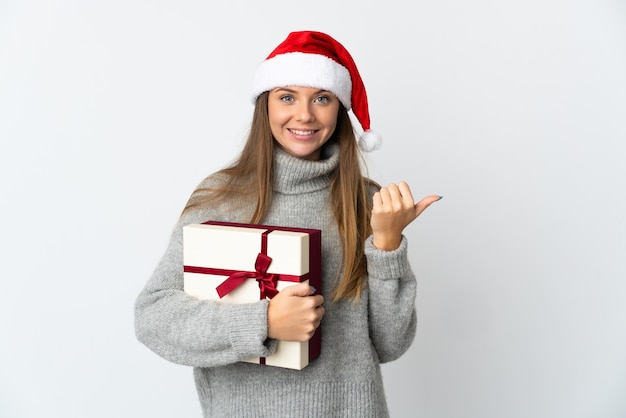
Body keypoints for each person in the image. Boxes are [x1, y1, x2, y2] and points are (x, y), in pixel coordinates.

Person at [135, 30, 441, 417]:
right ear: (265, 106)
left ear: (339, 109)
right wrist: (262, 322)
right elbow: (153, 318)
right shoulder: (221, 198)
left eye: (322, 98)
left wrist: (386, 245)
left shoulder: (365, 202)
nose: (305, 115)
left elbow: (390, 344)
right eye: (286, 97)